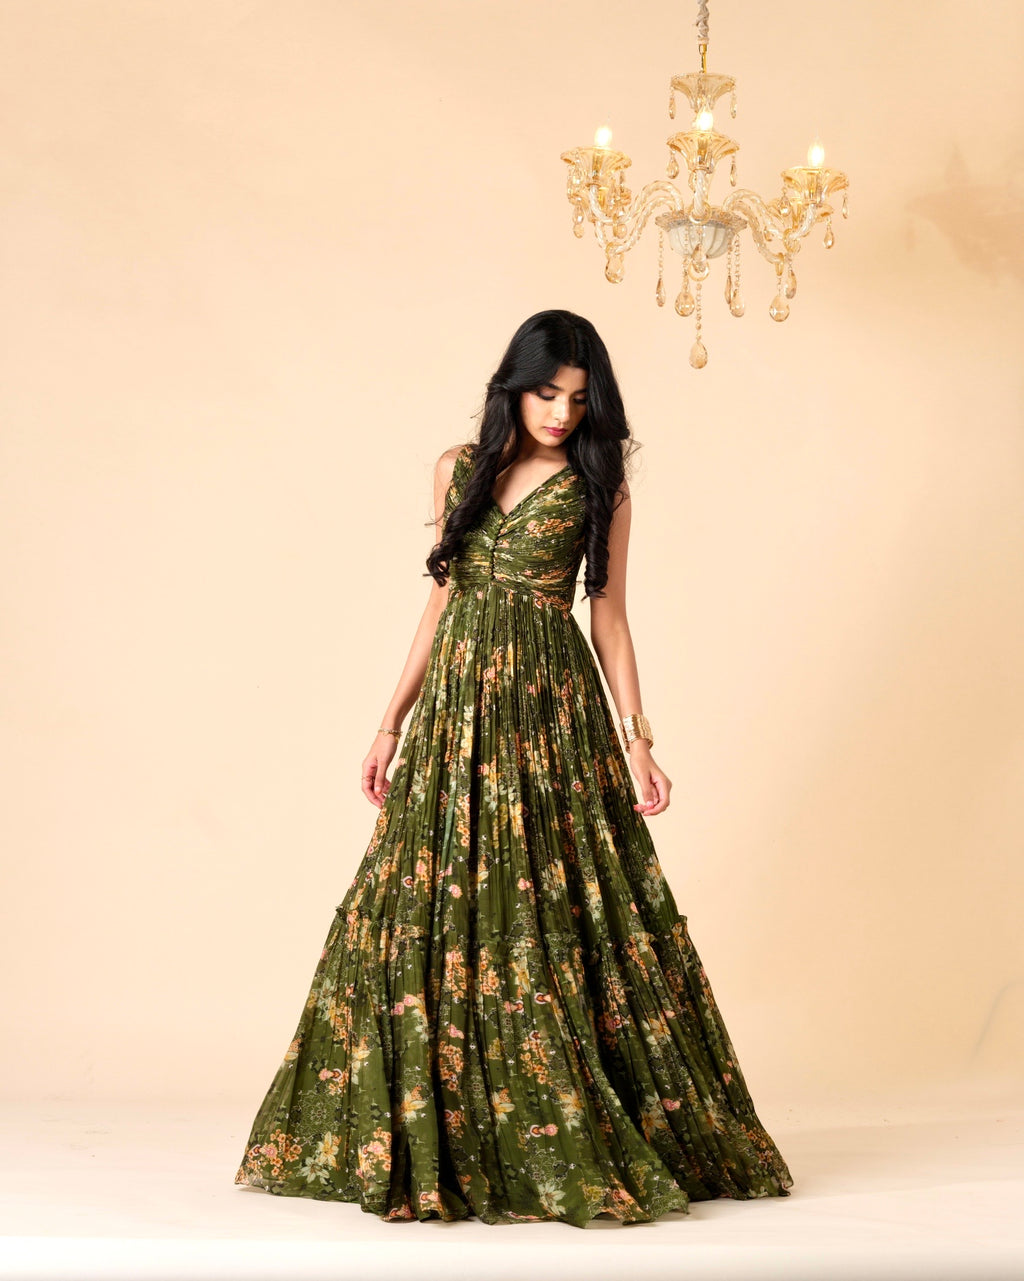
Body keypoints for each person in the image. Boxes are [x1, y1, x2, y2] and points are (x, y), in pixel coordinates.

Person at [233, 309, 794, 1226]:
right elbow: (437, 606)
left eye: (578, 399)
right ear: (514, 386)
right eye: (546, 393)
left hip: (549, 713)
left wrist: (639, 735)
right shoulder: (462, 469)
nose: (561, 413)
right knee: (429, 897)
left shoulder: (599, 486)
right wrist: (389, 724)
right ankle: (440, 1131)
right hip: (457, 710)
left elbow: (608, 617)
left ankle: (557, 1116)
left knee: (550, 903)